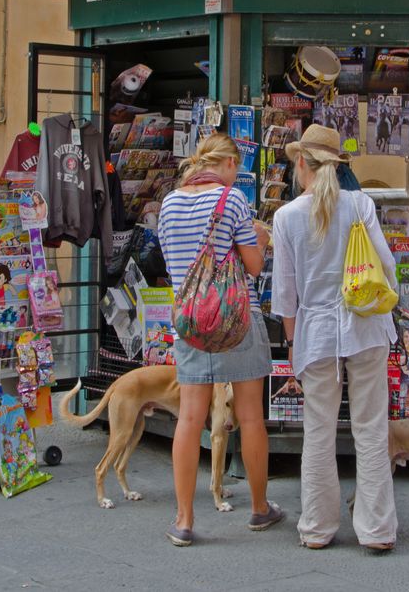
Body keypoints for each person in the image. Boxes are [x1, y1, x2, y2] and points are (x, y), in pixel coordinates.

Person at [272, 124, 398, 553]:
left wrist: (292, 347)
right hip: (366, 326)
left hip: (316, 332)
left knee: (319, 431)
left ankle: (317, 528)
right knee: (371, 429)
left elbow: (286, 295)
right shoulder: (360, 204)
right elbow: (387, 267)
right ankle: (377, 530)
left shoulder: (286, 217)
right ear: (337, 165)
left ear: (302, 164)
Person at [157, 133, 283, 547]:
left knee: (190, 419)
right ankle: (260, 508)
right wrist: (260, 241)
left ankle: (184, 519)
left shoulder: (169, 204)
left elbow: (174, 264)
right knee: (249, 417)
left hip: (191, 324)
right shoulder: (232, 201)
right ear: (227, 164)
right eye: (237, 168)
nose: (237, 177)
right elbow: (251, 264)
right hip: (236, 319)